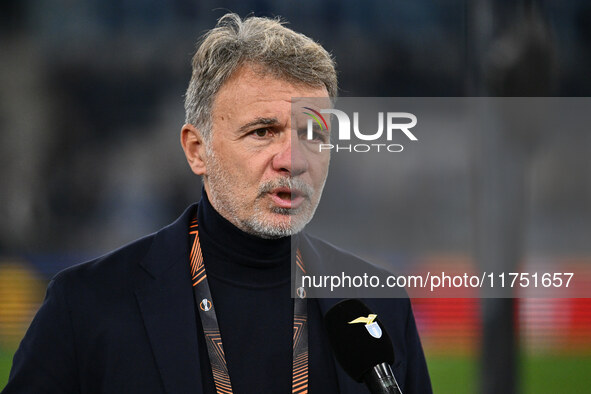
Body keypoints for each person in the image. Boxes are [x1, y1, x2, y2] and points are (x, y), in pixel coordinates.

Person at [3, 14, 431, 394]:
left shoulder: (379, 302)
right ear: (196, 149)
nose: (294, 160)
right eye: (263, 131)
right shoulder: (87, 304)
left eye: (314, 134)